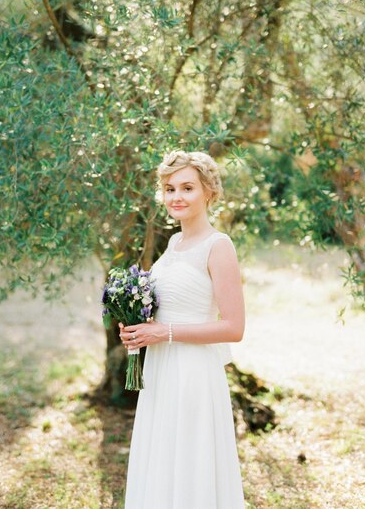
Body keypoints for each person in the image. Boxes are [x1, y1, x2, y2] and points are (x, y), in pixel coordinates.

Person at [119, 149, 246, 509]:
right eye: (169, 188)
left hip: (193, 375)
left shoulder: (218, 246)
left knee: (192, 465)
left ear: (208, 191)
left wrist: (165, 333)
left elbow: (234, 327)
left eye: (187, 188)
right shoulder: (173, 244)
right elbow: (166, 309)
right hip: (160, 371)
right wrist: (139, 329)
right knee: (163, 461)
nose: (176, 197)